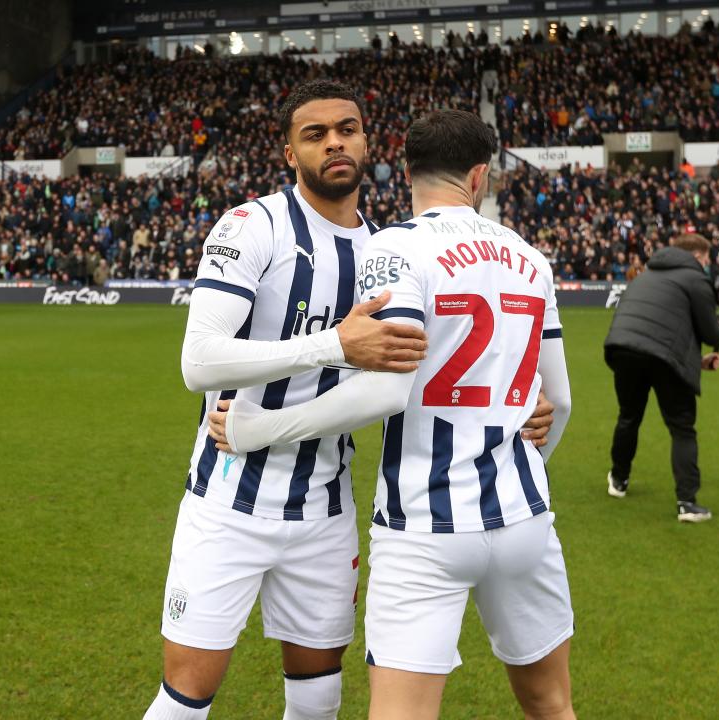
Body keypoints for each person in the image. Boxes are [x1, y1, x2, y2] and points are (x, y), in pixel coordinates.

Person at [144, 82, 552, 720]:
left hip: (325, 512)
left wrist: (519, 405)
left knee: (319, 702)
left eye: (347, 129)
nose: (334, 141)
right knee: (184, 700)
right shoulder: (252, 225)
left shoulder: (388, 250)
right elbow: (199, 361)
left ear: (369, 144)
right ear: (290, 152)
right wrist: (333, 344)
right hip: (228, 497)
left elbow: (426, 364)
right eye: (315, 134)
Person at [603, 233, 719, 522]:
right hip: (660, 356)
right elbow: (710, 332)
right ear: (697, 256)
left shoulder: (645, 276)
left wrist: (697, 362)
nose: (708, 264)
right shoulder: (695, 279)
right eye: (706, 259)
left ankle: (618, 479)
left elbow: (661, 327)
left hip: (622, 348)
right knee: (682, 428)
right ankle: (687, 502)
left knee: (629, 416)